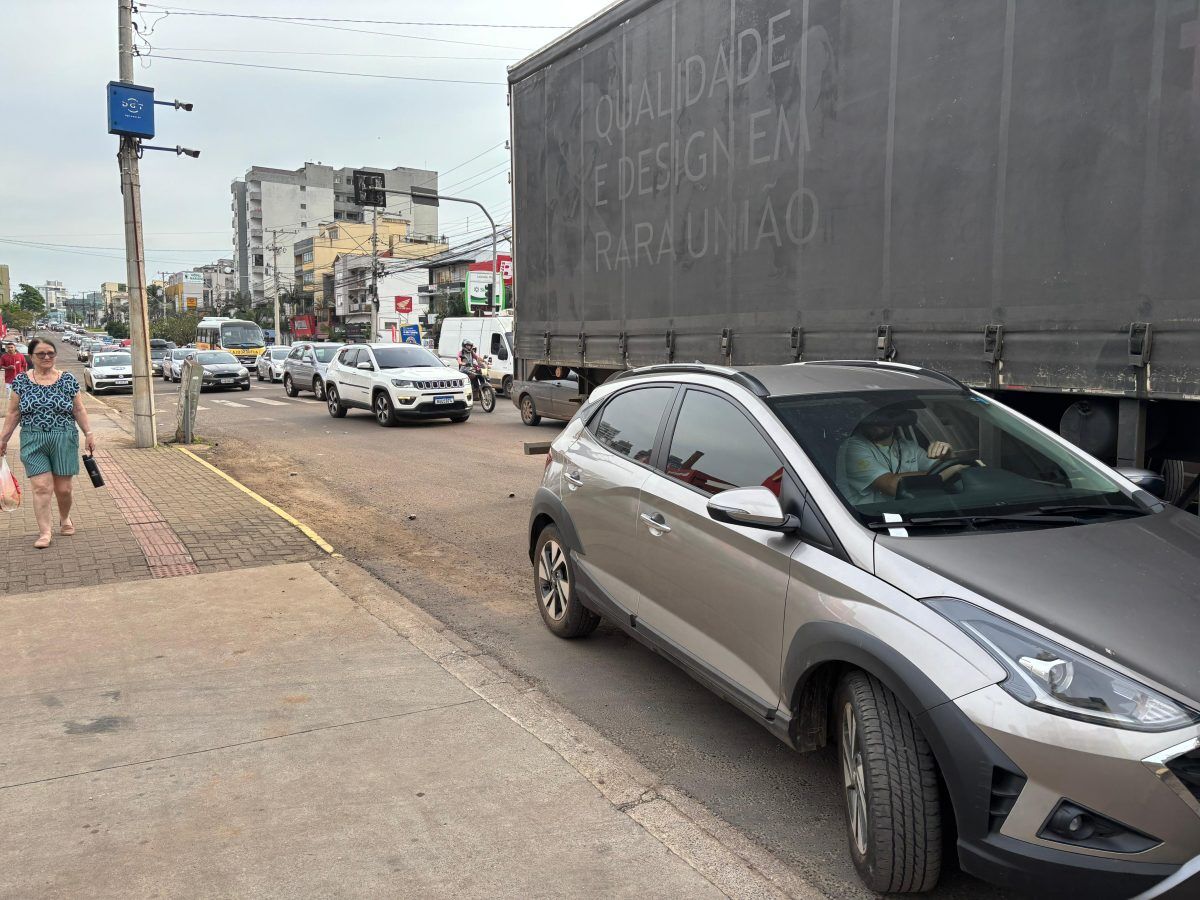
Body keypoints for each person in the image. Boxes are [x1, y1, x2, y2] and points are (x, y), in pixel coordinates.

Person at [0, 337, 96, 549]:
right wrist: (3, 439)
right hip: (33, 439)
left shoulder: (67, 379)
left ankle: (65, 518)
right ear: (31, 356)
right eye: (41, 354)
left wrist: (88, 432)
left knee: (64, 489)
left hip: (64, 437)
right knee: (41, 487)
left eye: (50, 353)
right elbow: (13, 412)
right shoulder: (21, 381)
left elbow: (78, 409)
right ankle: (45, 531)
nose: (46, 357)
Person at [839, 404, 963, 503]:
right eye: (871, 419)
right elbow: (892, 486)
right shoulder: (853, 447)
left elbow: (942, 469)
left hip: (905, 513)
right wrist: (951, 468)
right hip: (867, 520)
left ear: (896, 422)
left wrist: (948, 458)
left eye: (882, 420)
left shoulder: (908, 446)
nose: (875, 424)